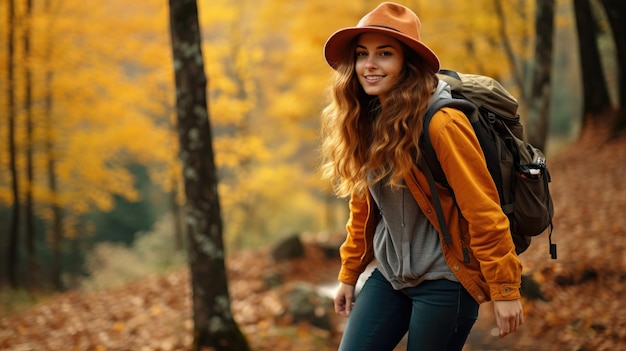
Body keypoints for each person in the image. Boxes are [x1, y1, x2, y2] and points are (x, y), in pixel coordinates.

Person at [320, 2, 524, 350]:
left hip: (447, 280)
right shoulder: (366, 121)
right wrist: (349, 273)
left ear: (407, 63)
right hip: (390, 276)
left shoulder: (443, 123)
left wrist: (505, 289)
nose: (369, 65)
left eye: (384, 54)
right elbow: (364, 211)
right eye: (361, 54)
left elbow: (483, 209)